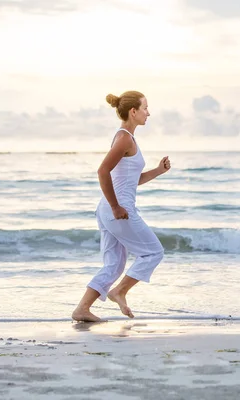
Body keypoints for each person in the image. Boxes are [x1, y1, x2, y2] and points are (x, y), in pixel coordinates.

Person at [72, 91, 171, 322]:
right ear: (133, 112)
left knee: (115, 265)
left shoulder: (126, 138)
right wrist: (116, 207)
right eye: (145, 108)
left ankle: (82, 309)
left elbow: (129, 180)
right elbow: (102, 171)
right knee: (153, 252)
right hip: (117, 210)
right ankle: (120, 291)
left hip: (109, 210)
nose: (149, 112)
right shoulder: (125, 138)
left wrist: (158, 171)